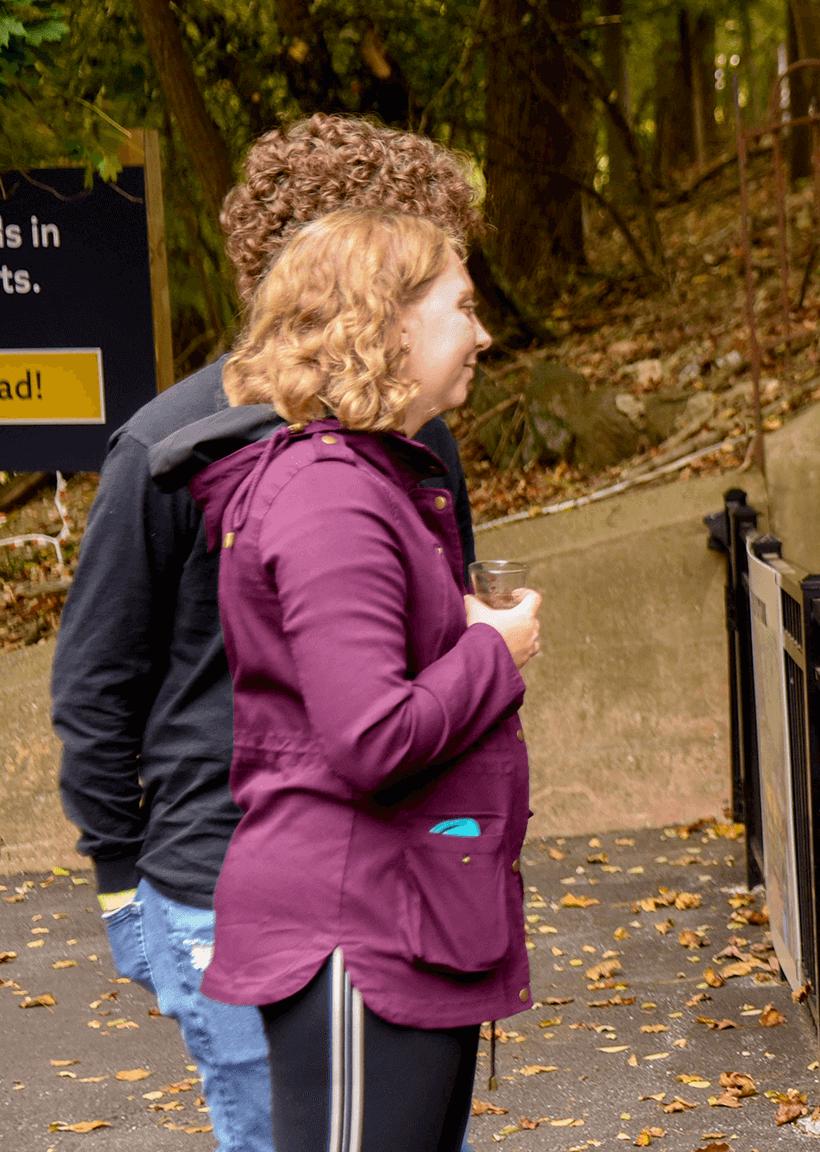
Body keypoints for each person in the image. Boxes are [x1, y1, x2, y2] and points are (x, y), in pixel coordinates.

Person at [52, 115, 482, 1152]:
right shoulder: (170, 446)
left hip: (397, 882)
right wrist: (119, 883)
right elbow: (97, 680)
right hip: (232, 884)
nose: (469, 322)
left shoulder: (418, 445)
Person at [176, 207, 535, 1151]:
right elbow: (372, 738)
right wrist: (493, 649)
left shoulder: (371, 481)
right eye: (463, 306)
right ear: (388, 324)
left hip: (406, 913)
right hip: (354, 928)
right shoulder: (333, 496)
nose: (484, 332)